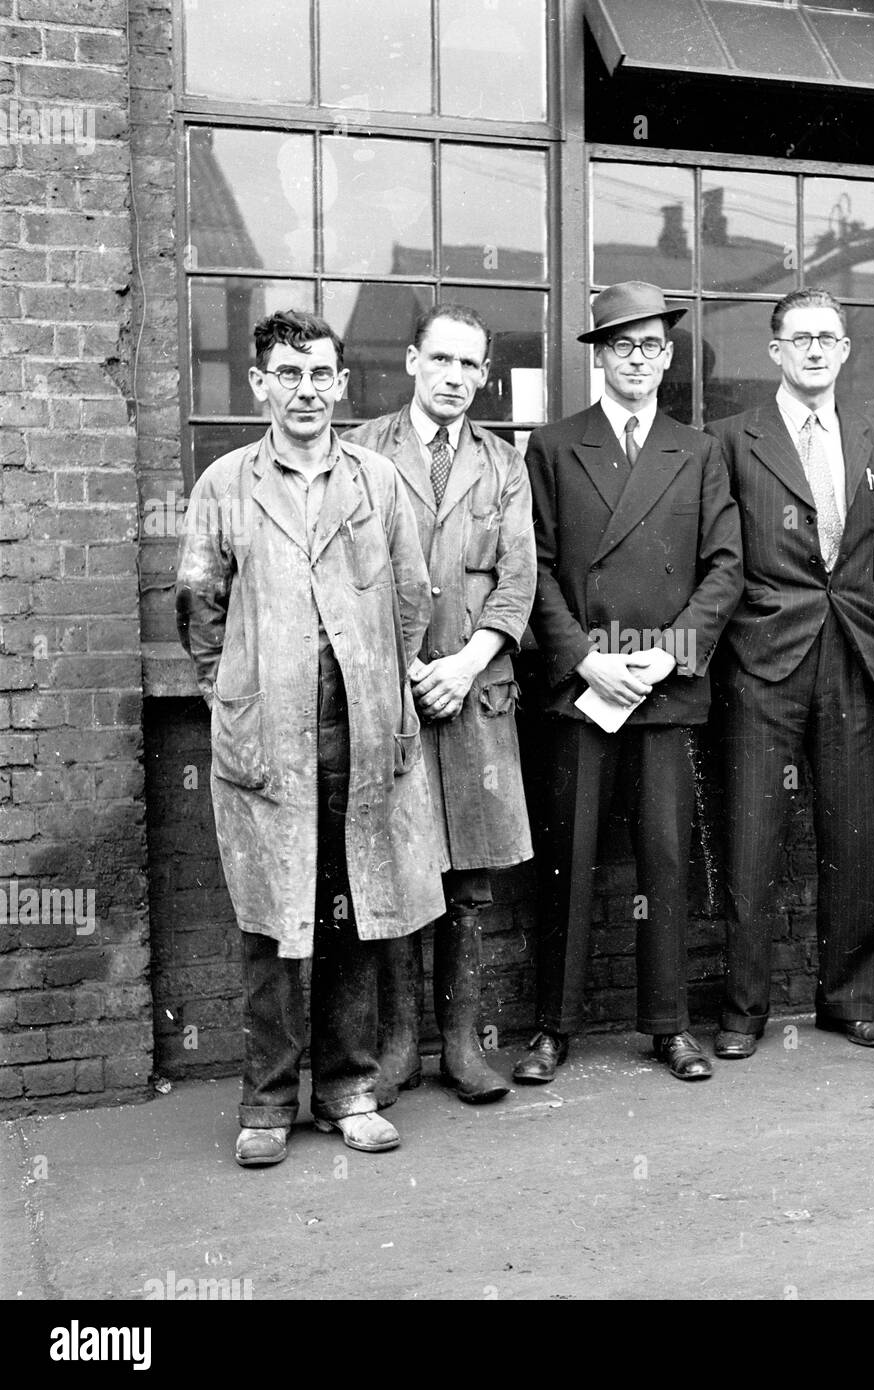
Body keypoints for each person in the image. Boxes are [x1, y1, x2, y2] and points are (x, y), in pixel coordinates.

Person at [176, 309, 445, 1166]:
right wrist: (235, 695)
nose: (306, 391)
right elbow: (198, 608)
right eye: (288, 375)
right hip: (266, 744)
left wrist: (381, 687)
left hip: (360, 737)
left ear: (342, 383)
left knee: (355, 913)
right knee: (268, 926)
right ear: (260, 385)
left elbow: (414, 597)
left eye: (321, 374)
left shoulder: (376, 481)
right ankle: (264, 1103)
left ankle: (347, 1089)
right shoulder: (225, 484)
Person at [516, 281, 743, 1084]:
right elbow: (533, 568)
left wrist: (671, 651)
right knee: (568, 863)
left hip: (664, 689)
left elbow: (725, 567)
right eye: (622, 346)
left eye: (651, 346)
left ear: (669, 357)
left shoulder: (699, 448)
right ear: (599, 356)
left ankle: (668, 1024)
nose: (638, 360)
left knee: (666, 864)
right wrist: (583, 657)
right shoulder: (552, 447)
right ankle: (554, 1028)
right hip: (583, 690)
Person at [707, 287, 874, 1061]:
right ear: (777, 352)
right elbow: (720, 561)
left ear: (846, 350)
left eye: (829, 337)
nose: (816, 349)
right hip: (763, 660)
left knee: (854, 838)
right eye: (802, 338)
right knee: (752, 836)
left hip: (853, 659)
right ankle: (742, 1012)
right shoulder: (731, 439)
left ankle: (852, 1000)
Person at [345, 304, 536, 1106]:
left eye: (471, 365)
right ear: (413, 362)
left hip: (474, 689)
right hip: (391, 695)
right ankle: (396, 1049)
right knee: (398, 869)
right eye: (442, 361)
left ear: (483, 374)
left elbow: (520, 578)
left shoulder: (503, 463)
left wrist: (465, 663)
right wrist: (406, 671)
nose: (456, 378)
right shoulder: (362, 451)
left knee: (469, 883)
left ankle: (461, 1045)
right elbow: (350, 579)